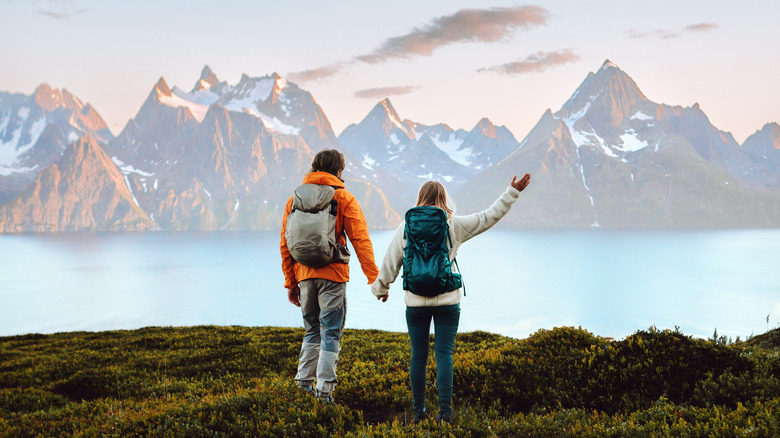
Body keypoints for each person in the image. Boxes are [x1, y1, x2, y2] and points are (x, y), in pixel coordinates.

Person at [371, 173, 531, 424]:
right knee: (444, 354)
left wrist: (381, 289)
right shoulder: (452, 225)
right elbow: (488, 217)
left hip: (415, 302)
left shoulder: (406, 227)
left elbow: (391, 263)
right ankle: (444, 412)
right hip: (448, 301)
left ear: (420, 198)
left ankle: (418, 412)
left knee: (418, 356)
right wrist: (512, 192)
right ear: (443, 199)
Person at [280, 149, 379, 402]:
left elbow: (285, 243)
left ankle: (303, 385)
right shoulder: (343, 197)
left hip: (304, 275)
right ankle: (324, 393)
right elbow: (360, 240)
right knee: (331, 333)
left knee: (312, 330)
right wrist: (374, 278)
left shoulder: (295, 199)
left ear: (314, 167)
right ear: (339, 171)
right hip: (333, 275)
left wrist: (291, 282)